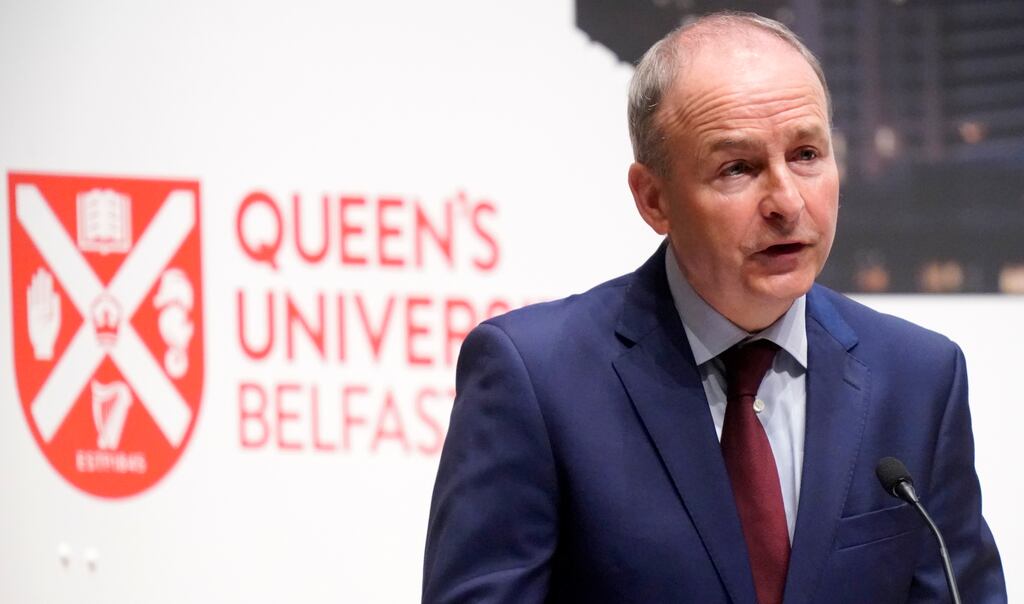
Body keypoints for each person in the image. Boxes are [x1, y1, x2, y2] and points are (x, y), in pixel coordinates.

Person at [423, 11, 1006, 603]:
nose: (785, 201)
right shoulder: (537, 379)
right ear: (654, 200)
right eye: (738, 168)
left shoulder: (918, 377)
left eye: (806, 154)